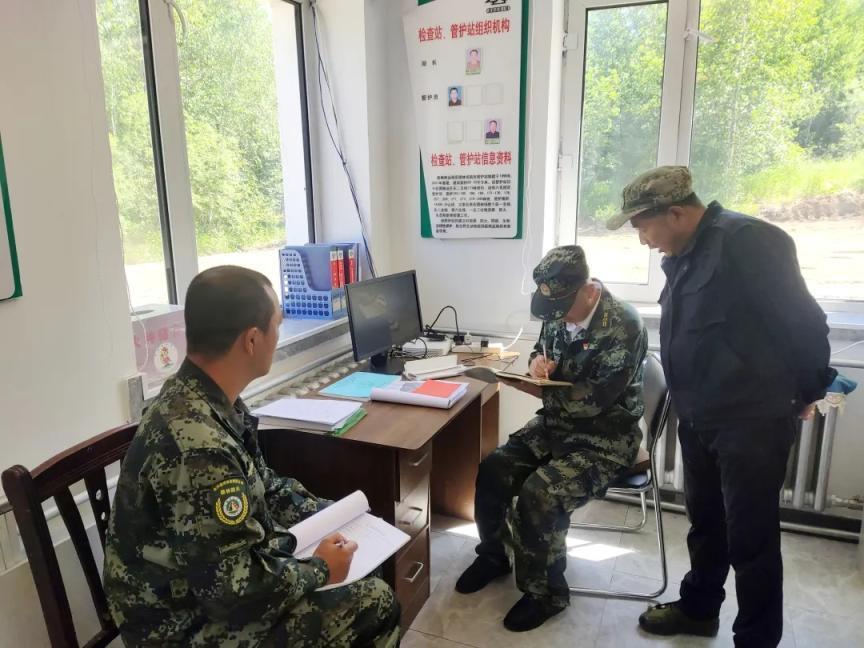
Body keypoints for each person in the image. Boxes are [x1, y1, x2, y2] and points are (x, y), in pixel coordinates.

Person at [104, 266, 401, 648]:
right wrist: (320, 569)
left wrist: (333, 515)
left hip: (205, 588)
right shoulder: (199, 448)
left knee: (365, 567)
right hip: (178, 624)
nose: (279, 334)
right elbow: (234, 593)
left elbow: (264, 486)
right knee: (374, 602)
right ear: (252, 340)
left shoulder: (206, 397)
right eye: (277, 323)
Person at [605, 166, 836, 647]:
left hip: (750, 421)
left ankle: (755, 639)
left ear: (675, 213)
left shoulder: (748, 241)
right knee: (706, 525)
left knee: (751, 539)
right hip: (699, 415)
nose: (643, 241)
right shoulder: (684, 252)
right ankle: (698, 609)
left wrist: (808, 392)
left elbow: (805, 323)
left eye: (644, 227)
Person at [455, 246, 648, 632]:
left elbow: (594, 401)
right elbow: (541, 350)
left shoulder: (623, 324)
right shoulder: (558, 311)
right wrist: (536, 364)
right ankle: (494, 555)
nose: (557, 316)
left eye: (562, 307)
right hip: (556, 424)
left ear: (589, 291)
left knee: (540, 493)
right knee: (493, 469)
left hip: (605, 438)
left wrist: (531, 389)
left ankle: (547, 595)